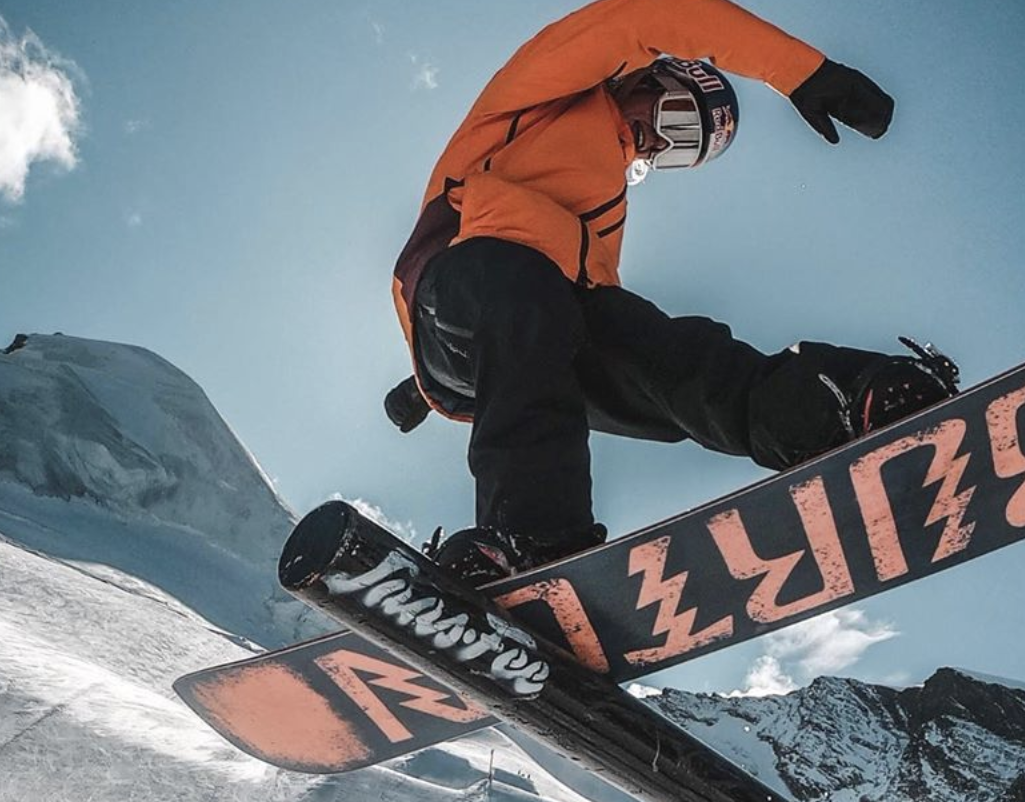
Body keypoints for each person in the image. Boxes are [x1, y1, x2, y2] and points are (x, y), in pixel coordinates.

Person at [382, 0, 959, 584]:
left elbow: (564, 331)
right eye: (678, 120)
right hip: (456, 274)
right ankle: (529, 537)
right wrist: (803, 71)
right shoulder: (544, 95)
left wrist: (422, 392)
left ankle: (839, 408)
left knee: (671, 359)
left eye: (684, 149)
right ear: (648, 79)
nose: (660, 144)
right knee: (529, 291)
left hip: (519, 325)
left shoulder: (603, 212)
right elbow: (648, 15)